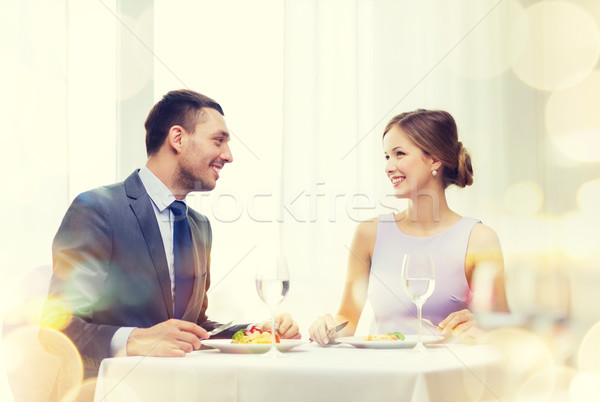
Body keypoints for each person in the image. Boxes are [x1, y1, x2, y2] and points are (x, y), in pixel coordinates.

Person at [43, 89, 300, 375]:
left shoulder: (199, 227)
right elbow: (58, 327)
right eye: (218, 140)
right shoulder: (97, 210)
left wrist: (254, 331)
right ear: (178, 138)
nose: (228, 156)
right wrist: (134, 339)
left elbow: (194, 327)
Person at [309, 109, 509, 345]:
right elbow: (348, 319)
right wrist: (327, 328)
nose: (388, 167)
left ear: (435, 159)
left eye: (399, 154)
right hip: (383, 372)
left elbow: (502, 328)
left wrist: (482, 327)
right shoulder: (369, 233)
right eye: (386, 157)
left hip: (445, 375)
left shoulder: (479, 239)